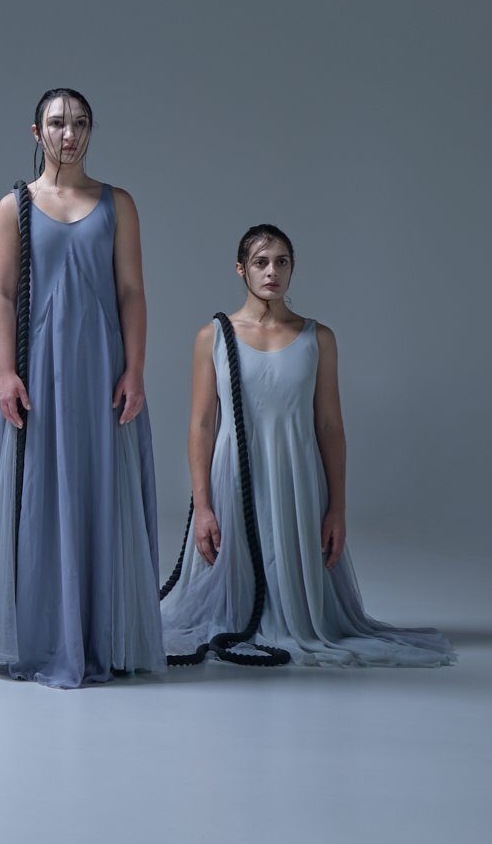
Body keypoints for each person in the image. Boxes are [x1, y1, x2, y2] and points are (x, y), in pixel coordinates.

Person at [161, 226, 453, 666]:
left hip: (295, 477)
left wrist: (337, 507)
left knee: (295, 591)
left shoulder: (319, 338)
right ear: (241, 270)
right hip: (234, 478)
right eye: (260, 263)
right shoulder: (213, 336)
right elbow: (201, 425)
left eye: (281, 262)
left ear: (293, 268)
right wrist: (203, 506)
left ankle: (293, 624)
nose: (272, 272)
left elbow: (330, 426)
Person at [0, 89, 166, 687]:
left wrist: (135, 369)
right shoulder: (15, 206)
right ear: (37, 133)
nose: (69, 134)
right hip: (39, 370)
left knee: (102, 487)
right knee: (41, 490)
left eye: (80, 123)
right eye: (57, 123)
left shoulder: (118, 203)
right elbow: (1, 293)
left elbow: (131, 291)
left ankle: (105, 635)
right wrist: (5, 373)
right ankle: (43, 635)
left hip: (102, 368)